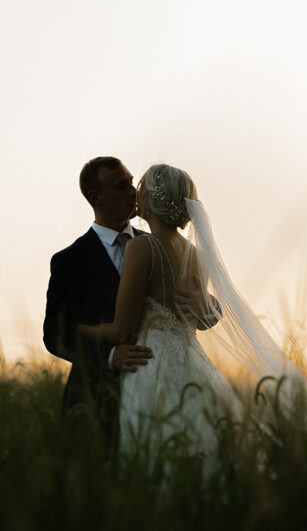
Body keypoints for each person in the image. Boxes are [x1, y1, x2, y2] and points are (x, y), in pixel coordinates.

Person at [75, 163, 307, 484]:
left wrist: (76, 330)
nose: (136, 193)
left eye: (141, 187)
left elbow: (122, 330)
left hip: (149, 366)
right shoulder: (197, 256)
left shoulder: (142, 248)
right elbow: (200, 319)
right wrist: (206, 308)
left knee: (152, 459)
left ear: (153, 200)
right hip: (194, 366)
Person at [43, 157, 216, 446]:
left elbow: (194, 311)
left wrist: (208, 307)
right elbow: (54, 335)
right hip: (97, 395)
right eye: (122, 187)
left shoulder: (157, 244)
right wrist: (109, 356)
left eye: (132, 183)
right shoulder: (69, 261)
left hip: (164, 385)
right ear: (95, 197)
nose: (133, 192)